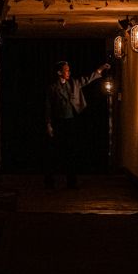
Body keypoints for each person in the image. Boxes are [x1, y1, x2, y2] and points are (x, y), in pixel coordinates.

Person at [45, 59, 110, 189]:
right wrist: (49, 124)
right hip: (59, 123)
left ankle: (71, 182)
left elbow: (88, 79)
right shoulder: (52, 88)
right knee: (55, 152)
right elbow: (48, 107)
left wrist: (101, 69)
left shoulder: (73, 83)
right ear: (59, 72)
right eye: (66, 70)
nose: (69, 72)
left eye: (69, 70)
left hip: (71, 122)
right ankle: (50, 181)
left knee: (71, 152)